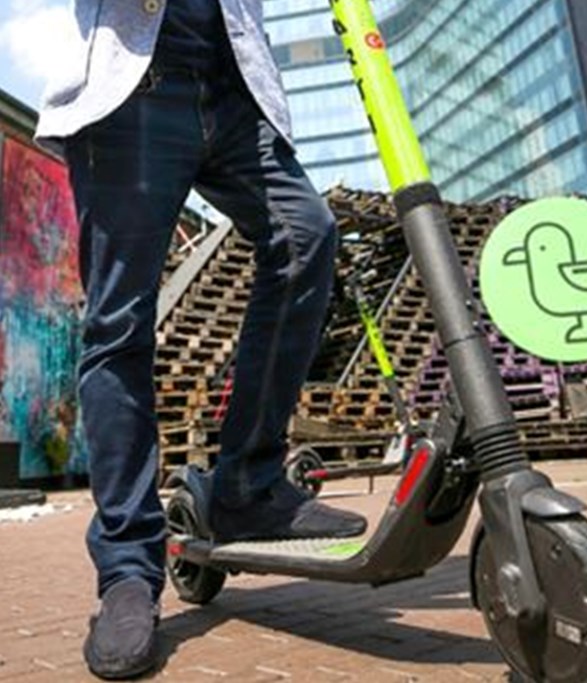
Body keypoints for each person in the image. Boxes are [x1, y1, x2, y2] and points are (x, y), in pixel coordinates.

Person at [36, 1, 367, 678]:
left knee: (306, 238)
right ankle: (128, 567)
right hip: (134, 88)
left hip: (235, 86)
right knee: (119, 326)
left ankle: (247, 487)